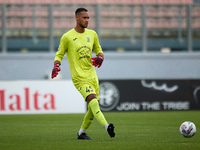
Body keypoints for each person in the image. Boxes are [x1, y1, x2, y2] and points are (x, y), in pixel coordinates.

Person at [51, 7, 115, 140]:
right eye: (84, 18)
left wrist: (100, 57)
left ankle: (81, 133)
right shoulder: (67, 37)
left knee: (92, 108)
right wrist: (56, 65)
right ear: (77, 18)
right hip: (79, 77)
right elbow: (59, 54)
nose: (87, 20)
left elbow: (99, 50)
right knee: (93, 100)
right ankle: (106, 126)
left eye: (88, 18)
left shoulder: (92, 34)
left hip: (92, 76)